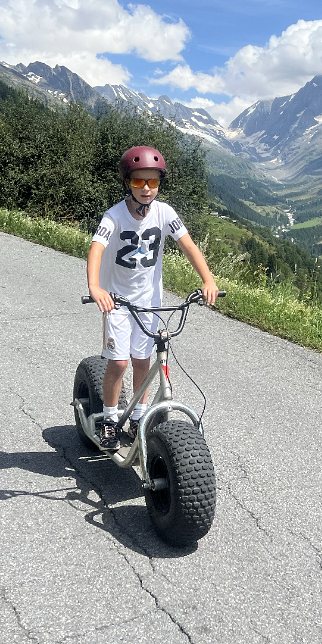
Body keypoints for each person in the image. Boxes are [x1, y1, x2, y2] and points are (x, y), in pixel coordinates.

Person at [86, 146, 219, 449]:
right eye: (138, 181)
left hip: (149, 302)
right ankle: (109, 419)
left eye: (152, 181)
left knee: (142, 361)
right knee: (119, 363)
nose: (146, 188)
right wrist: (95, 287)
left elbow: (188, 245)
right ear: (127, 182)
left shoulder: (164, 212)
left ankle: (138, 418)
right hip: (117, 302)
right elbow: (96, 249)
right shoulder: (114, 216)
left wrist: (208, 279)